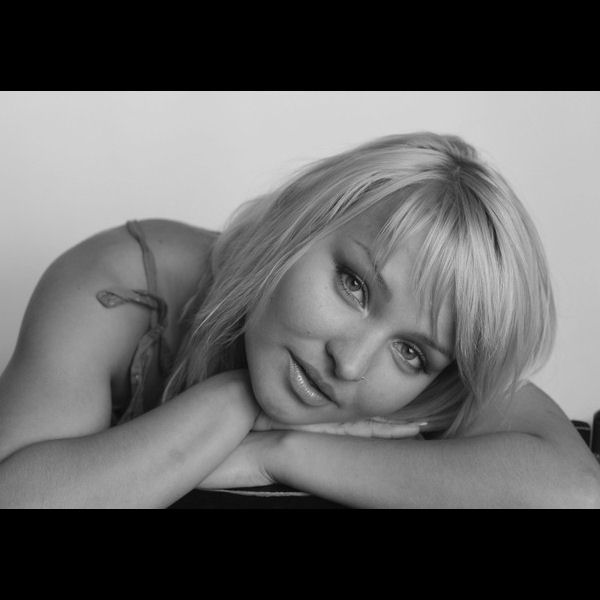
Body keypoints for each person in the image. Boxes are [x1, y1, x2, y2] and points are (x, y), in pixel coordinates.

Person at [1, 132, 599, 509]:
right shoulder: (120, 278)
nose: (351, 363)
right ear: (298, 221)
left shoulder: (431, 391)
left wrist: (277, 451)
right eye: (354, 285)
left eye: (412, 352)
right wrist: (230, 402)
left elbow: (573, 491)